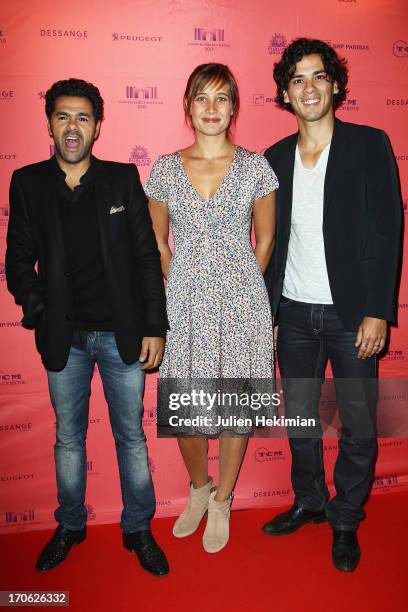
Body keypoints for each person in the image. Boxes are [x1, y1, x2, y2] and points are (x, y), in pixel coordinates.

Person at [6, 78, 170, 577]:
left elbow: (146, 258)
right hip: (65, 340)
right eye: (62, 116)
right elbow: (17, 261)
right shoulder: (28, 182)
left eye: (82, 117)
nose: (72, 126)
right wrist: (41, 310)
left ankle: (138, 528)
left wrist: (154, 326)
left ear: (98, 126)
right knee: (69, 439)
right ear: (49, 124)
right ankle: (71, 524)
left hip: (121, 336)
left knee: (131, 438)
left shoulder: (122, 179)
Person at [262, 38, 402, 571]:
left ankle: (345, 518)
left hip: (351, 316)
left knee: (359, 423)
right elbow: (269, 242)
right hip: (294, 313)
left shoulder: (369, 144)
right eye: (297, 79)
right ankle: (310, 501)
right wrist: (270, 312)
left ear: (336, 84)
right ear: (285, 93)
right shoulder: (274, 158)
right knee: (299, 419)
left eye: (318, 76)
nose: (309, 87)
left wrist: (376, 309)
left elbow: (389, 228)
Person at [145, 63, 278, 553]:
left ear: (234, 107)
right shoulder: (163, 168)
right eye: (202, 98)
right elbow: (158, 241)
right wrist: (182, 283)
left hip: (244, 299)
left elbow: (264, 241)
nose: (211, 109)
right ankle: (199, 491)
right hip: (181, 301)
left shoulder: (255, 166)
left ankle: (223, 498)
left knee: (236, 403)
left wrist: (239, 285)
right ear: (187, 106)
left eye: (222, 99)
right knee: (187, 402)